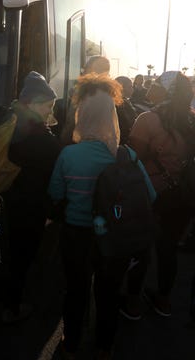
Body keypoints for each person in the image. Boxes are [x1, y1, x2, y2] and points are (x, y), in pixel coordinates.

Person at [48, 73, 155, 360]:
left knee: (75, 291)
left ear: (82, 115)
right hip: (115, 238)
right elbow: (150, 197)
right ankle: (104, 348)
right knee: (108, 294)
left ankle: (70, 346)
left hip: (75, 235)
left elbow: (55, 195)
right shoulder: (126, 156)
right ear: (112, 116)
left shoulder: (68, 156)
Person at [125, 71, 195, 318]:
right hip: (181, 197)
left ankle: (132, 303)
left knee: (139, 247)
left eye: (155, 84)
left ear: (166, 91)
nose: (151, 88)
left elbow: (133, 159)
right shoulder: (191, 121)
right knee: (168, 250)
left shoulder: (147, 119)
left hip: (148, 194)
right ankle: (163, 301)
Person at [2, 71, 61, 323]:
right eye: (48, 105)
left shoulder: (7, 122)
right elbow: (53, 178)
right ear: (33, 103)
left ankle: (2, 300)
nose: (50, 110)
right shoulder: (42, 139)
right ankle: (12, 308)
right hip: (29, 208)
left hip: (2, 201)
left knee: (7, 254)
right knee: (21, 258)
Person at [58, 55, 110, 146]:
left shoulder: (85, 92)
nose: (83, 72)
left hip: (80, 147)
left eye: (85, 68)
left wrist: (62, 144)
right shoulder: (111, 94)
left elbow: (71, 124)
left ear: (92, 70)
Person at [115, 76, 137, 144]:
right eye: (130, 87)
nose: (132, 89)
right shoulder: (120, 104)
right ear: (121, 88)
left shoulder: (124, 101)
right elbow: (128, 124)